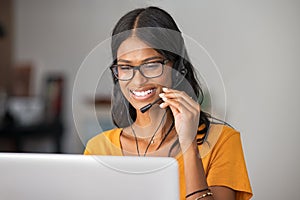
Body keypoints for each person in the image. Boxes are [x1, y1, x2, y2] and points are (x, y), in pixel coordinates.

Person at [84, 6, 252, 200]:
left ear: (177, 67)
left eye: (152, 64)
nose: (138, 81)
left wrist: (189, 146)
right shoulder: (98, 149)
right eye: (126, 67)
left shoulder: (222, 141)